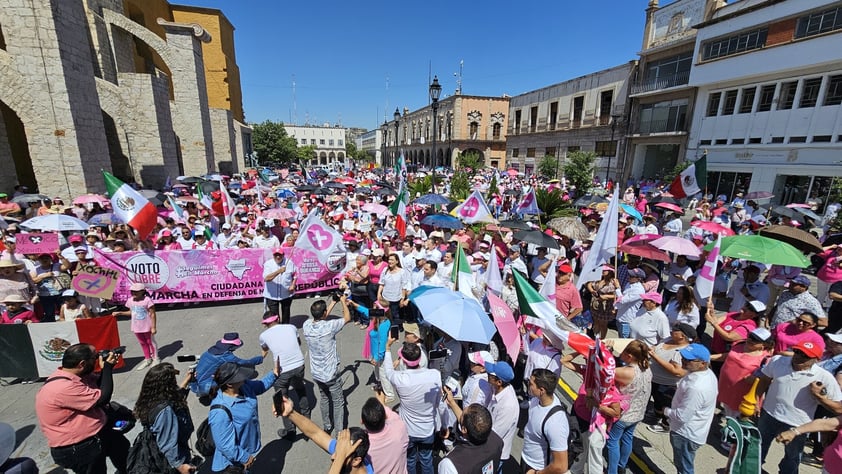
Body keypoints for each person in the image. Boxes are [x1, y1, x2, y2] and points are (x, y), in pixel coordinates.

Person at [35, 343, 129, 473]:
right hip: (79, 448)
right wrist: (107, 368)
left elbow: (100, 385)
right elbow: (102, 398)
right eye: (95, 357)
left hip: (98, 432)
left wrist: (106, 368)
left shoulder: (79, 375)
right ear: (82, 364)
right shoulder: (62, 387)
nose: (98, 359)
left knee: (124, 454)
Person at [755, 340, 842, 473]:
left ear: (816, 359)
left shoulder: (824, 377)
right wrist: (757, 400)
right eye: (797, 352)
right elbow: (765, 380)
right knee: (758, 447)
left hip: (798, 424)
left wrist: (820, 397)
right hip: (769, 414)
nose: (799, 356)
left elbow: (839, 408)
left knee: (792, 458)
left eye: (805, 355)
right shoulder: (778, 360)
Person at [208, 360, 279, 473]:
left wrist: (274, 374)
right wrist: (244, 457)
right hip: (232, 466)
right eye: (240, 376)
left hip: (245, 453)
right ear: (229, 384)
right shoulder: (219, 412)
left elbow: (260, 386)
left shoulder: (244, 386)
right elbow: (225, 445)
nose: (244, 377)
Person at [383, 339, 441, 474]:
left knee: (409, 460)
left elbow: (388, 371)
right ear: (420, 358)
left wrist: (387, 348)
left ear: (404, 361)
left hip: (408, 430)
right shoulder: (434, 375)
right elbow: (440, 403)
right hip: (427, 429)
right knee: (427, 460)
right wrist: (443, 425)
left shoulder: (400, 379)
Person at [277, 396, 373, 474]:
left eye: (342, 454)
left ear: (356, 460)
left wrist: (340, 456)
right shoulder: (345, 449)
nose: (333, 457)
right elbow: (315, 433)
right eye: (337, 450)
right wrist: (290, 413)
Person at [132, 362, 196, 474]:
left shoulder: (151, 398)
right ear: (168, 384)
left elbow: (175, 397)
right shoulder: (165, 411)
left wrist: (187, 381)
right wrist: (180, 465)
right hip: (171, 459)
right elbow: (168, 443)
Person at [302, 294, 352, 435]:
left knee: (324, 398)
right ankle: (339, 432)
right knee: (338, 402)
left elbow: (320, 318)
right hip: (330, 373)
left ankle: (327, 425)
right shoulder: (330, 327)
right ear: (324, 313)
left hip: (317, 373)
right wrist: (342, 301)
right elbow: (347, 318)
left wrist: (332, 303)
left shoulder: (307, 325)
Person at [665, 344, 718, 474]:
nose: (683, 360)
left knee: (684, 468)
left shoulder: (697, 387)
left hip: (685, 434)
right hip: (691, 431)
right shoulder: (705, 373)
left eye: (688, 360)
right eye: (683, 357)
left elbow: (682, 416)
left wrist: (666, 410)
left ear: (703, 363)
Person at [259, 313, 309, 439]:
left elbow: (265, 350)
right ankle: (307, 420)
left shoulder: (263, 336)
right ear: (278, 319)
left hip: (282, 369)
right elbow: (298, 342)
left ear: (265, 324)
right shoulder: (291, 327)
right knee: (300, 389)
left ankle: (290, 430)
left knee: (281, 398)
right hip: (299, 364)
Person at [607, 340, 652, 474]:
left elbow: (606, 371)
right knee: (628, 438)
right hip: (638, 413)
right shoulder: (646, 368)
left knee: (612, 442)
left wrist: (608, 353)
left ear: (630, 356)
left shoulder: (625, 372)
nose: (620, 353)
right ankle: (622, 465)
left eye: (623, 352)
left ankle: (612, 471)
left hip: (623, 414)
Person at [711, 327, 773, 419]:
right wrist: (709, 357)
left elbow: (766, 380)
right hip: (726, 388)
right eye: (750, 336)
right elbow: (728, 356)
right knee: (728, 410)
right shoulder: (739, 344)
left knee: (736, 419)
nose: (750, 340)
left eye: (755, 340)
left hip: (741, 395)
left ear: (763, 345)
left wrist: (755, 379)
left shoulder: (766, 359)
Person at [189, 332, 265, 406]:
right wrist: (261, 358)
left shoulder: (212, 350)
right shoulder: (225, 355)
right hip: (205, 387)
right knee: (229, 377)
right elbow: (245, 363)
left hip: (196, 381)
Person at [646, 324, 695, 433]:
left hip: (666, 384)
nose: (671, 331)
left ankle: (665, 425)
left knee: (666, 403)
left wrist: (655, 357)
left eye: (675, 331)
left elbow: (677, 372)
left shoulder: (682, 351)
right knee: (657, 400)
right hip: (653, 379)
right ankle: (656, 415)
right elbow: (658, 346)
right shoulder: (668, 339)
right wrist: (653, 348)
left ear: (682, 336)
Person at [520, 369, 569, 474]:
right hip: (526, 459)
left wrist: (537, 473)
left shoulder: (555, 424)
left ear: (542, 390)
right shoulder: (536, 400)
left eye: (531, 384)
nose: (528, 385)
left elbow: (561, 466)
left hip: (537, 468)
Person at [437, 403, 503, 474]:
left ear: (464, 430)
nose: (460, 414)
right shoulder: (497, 441)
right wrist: (451, 401)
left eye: (462, 415)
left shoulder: (450, 465)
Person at [113, 282, 158, 371]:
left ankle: (156, 358)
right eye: (132, 291)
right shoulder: (130, 300)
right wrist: (120, 313)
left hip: (146, 325)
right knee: (142, 343)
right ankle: (147, 358)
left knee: (150, 342)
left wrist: (153, 327)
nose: (134, 293)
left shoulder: (147, 300)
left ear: (142, 291)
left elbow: (152, 314)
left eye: (136, 291)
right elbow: (131, 312)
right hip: (136, 326)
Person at [360, 393, 409, 474]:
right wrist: (382, 403)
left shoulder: (361, 444)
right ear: (385, 417)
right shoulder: (399, 428)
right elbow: (393, 416)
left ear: (362, 421)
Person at [484, 361, 520, 470]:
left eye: (490, 375)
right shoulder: (497, 390)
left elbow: (495, 435)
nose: (487, 375)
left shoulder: (508, 406)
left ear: (499, 382)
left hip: (494, 453)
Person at [262, 248, 297, 324]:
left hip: (286, 294)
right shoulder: (268, 264)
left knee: (286, 314)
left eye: (280, 255)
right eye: (276, 255)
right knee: (275, 316)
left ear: (283, 255)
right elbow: (266, 278)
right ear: (273, 255)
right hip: (272, 295)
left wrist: (293, 284)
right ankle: (277, 330)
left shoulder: (289, 262)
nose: (278, 257)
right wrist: (278, 271)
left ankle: (286, 329)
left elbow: (295, 275)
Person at [586, 266, 620, 339]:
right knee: (596, 322)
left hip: (606, 307)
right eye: (603, 269)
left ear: (610, 272)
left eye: (605, 270)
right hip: (596, 305)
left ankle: (602, 339)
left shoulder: (614, 282)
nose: (603, 271)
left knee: (603, 324)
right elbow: (589, 284)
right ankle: (596, 337)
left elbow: (617, 295)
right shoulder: (598, 278)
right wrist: (592, 291)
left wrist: (606, 296)